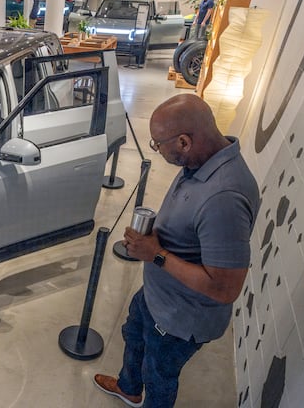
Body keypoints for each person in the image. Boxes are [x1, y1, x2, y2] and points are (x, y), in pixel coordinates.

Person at [94, 94, 260, 408]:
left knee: (158, 376)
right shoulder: (204, 162)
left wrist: (155, 254)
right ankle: (129, 388)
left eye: (159, 145)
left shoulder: (224, 197)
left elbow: (224, 288)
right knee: (134, 333)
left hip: (179, 319)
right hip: (159, 296)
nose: (157, 151)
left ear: (184, 141)